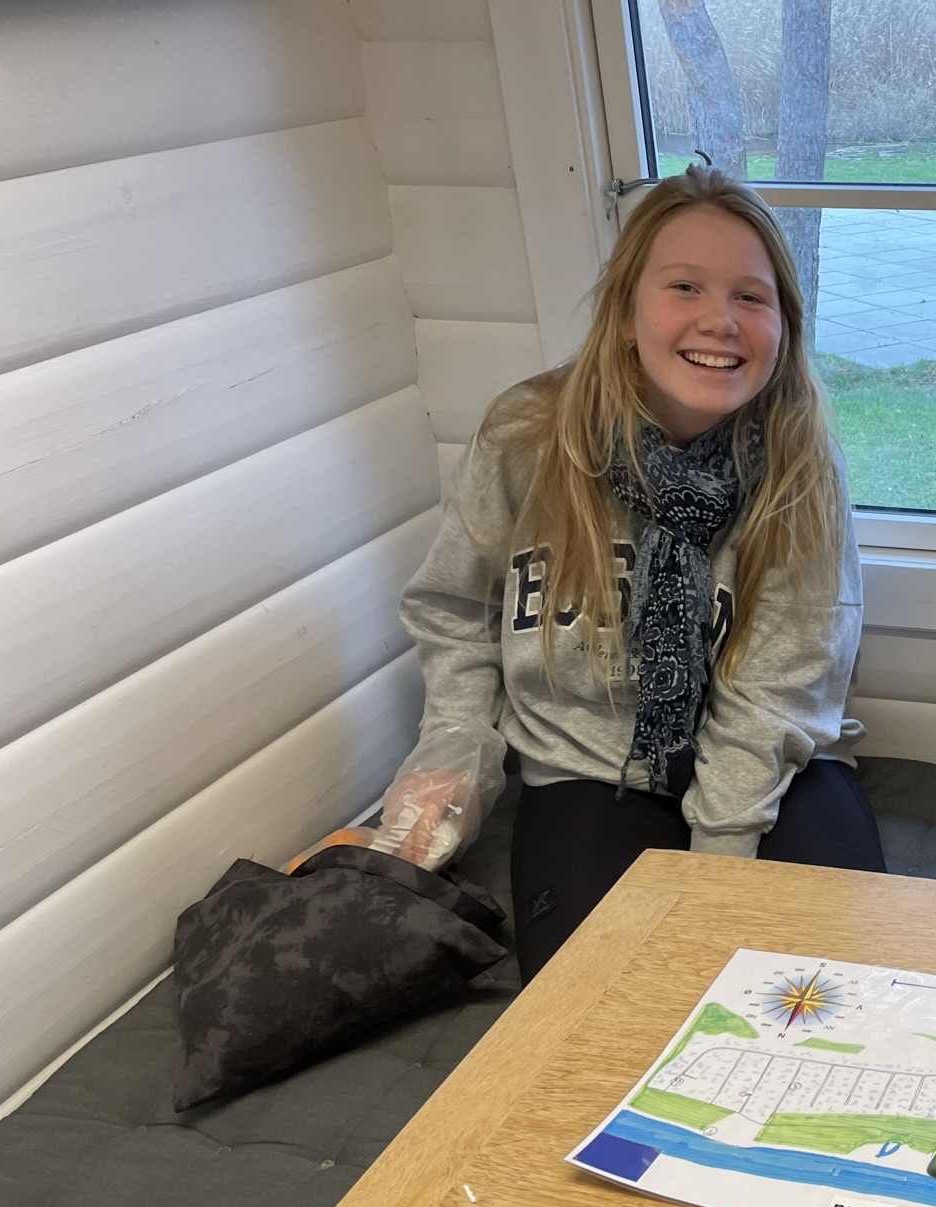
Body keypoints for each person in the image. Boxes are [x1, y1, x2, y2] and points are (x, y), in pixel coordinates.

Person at [378, 164, 882, 981]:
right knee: (598, 1000)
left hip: (777, 768)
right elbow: (455, 612)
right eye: (685, 286)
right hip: (587, 770)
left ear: (784, 327)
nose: (720, 320)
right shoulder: (525, 437)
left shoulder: (802, 467)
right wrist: (455, 753)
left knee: (832, 989)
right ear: (624, 313)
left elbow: (778, 696)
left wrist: (715, 879)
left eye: (751, 297)